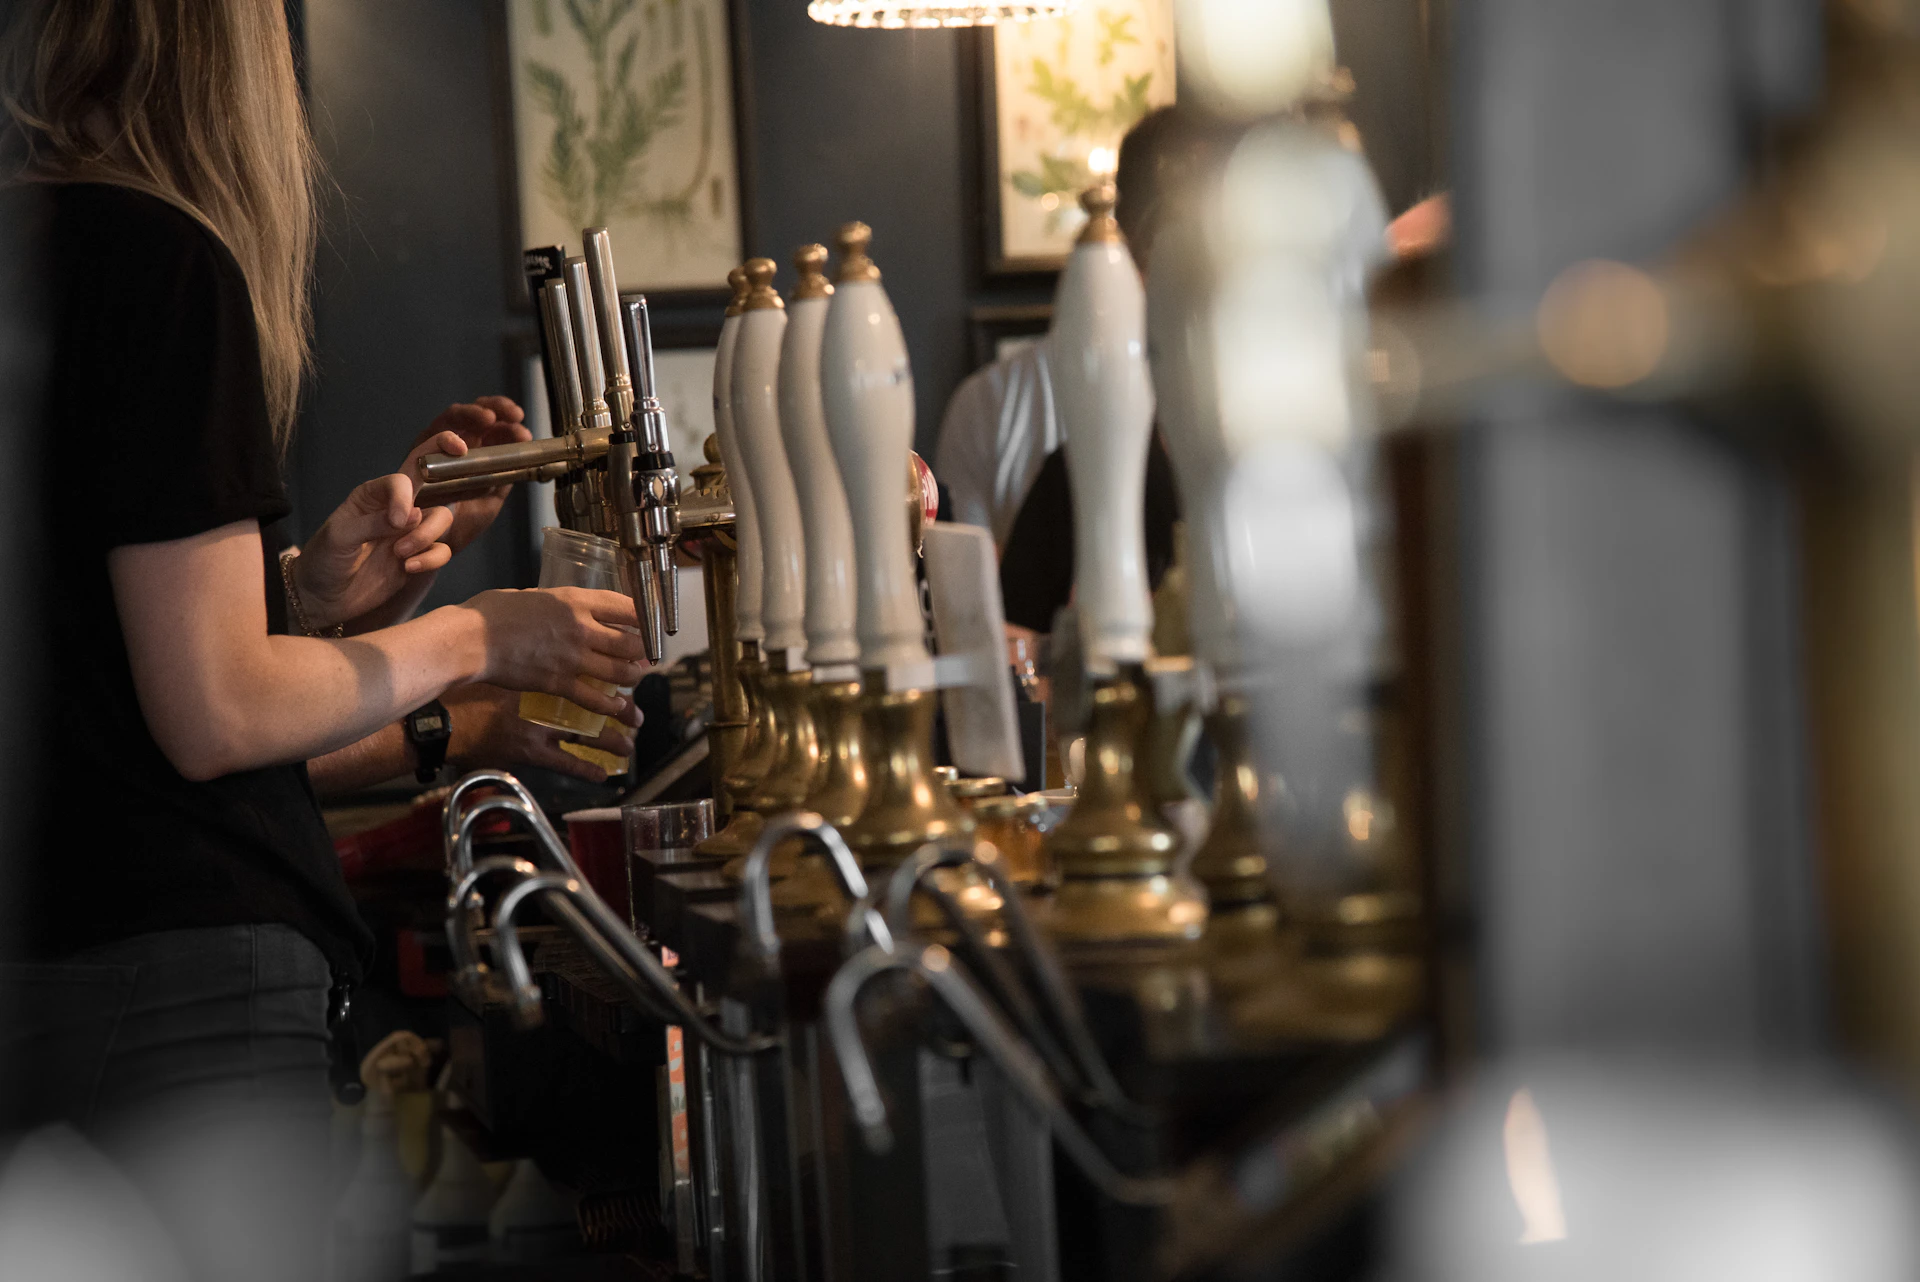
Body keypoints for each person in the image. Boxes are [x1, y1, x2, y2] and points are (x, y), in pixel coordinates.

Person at [0, 3, 646, 1279]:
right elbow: (214, 712)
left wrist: (317, 589)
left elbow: (86, 668)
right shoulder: (162, 256)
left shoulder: (33, 241)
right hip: (175, 983)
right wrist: (478, 637)